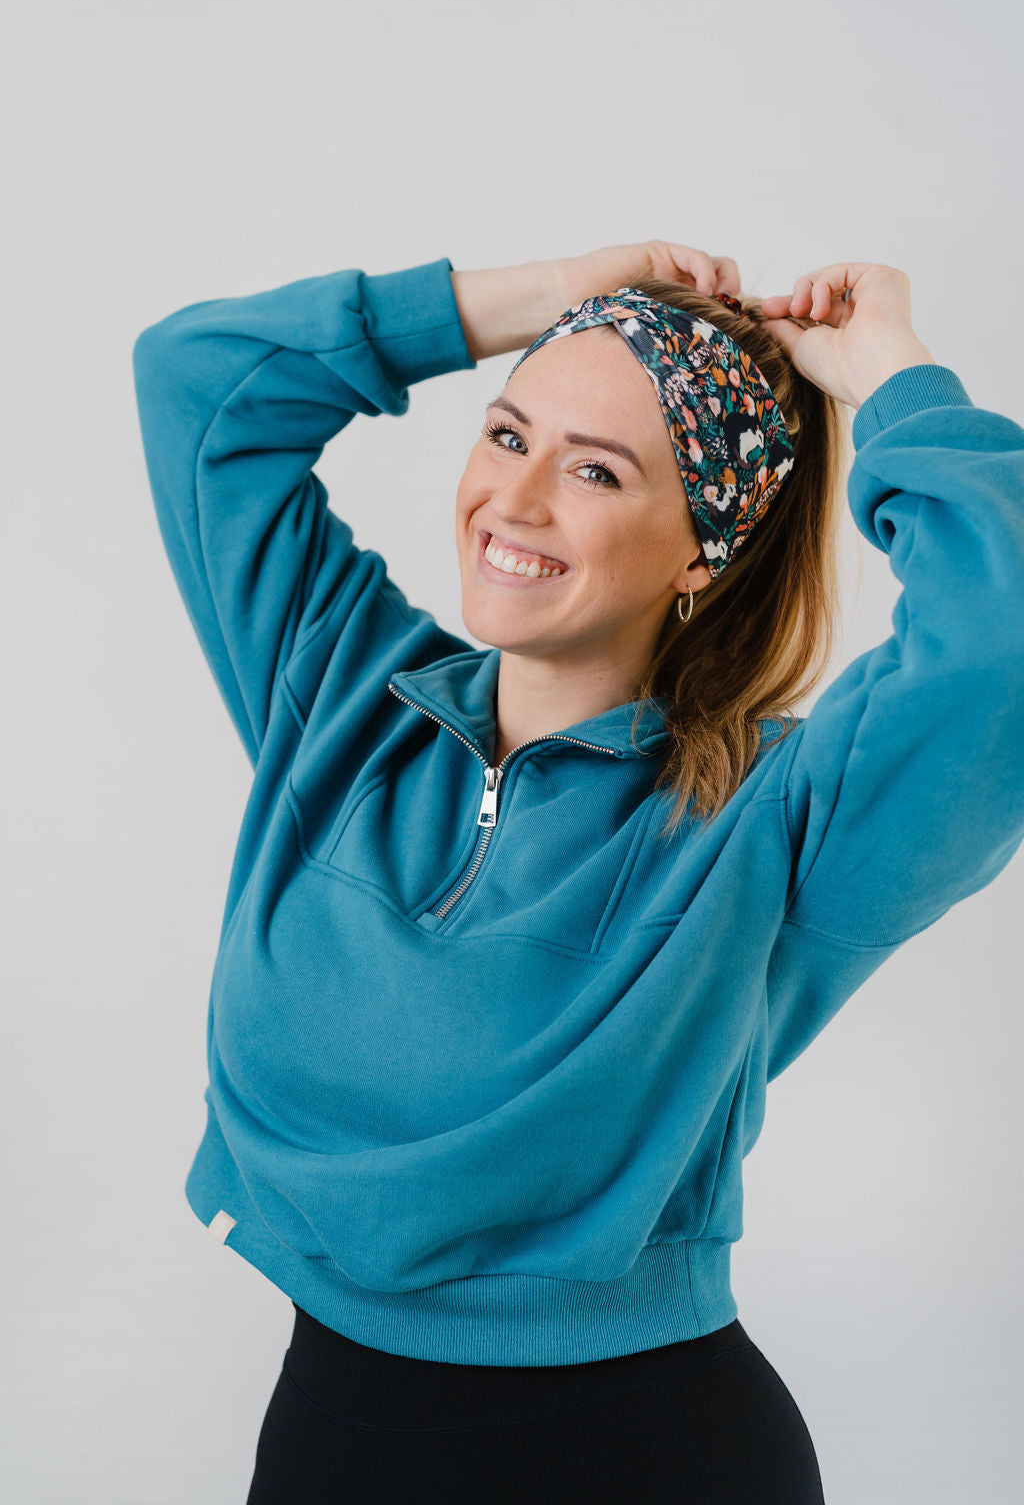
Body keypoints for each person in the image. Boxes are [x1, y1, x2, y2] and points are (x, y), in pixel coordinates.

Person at [131, 240, 1024, 1503]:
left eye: (595, 469)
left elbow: (1009, 638)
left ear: (700, 553)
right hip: (331, 1433)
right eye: (506, 436)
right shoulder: (341, 696)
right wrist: (555, 301)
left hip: (639, 1456)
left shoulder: (776, 819)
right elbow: (197, 380)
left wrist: (887, 371)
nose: (517, 500)